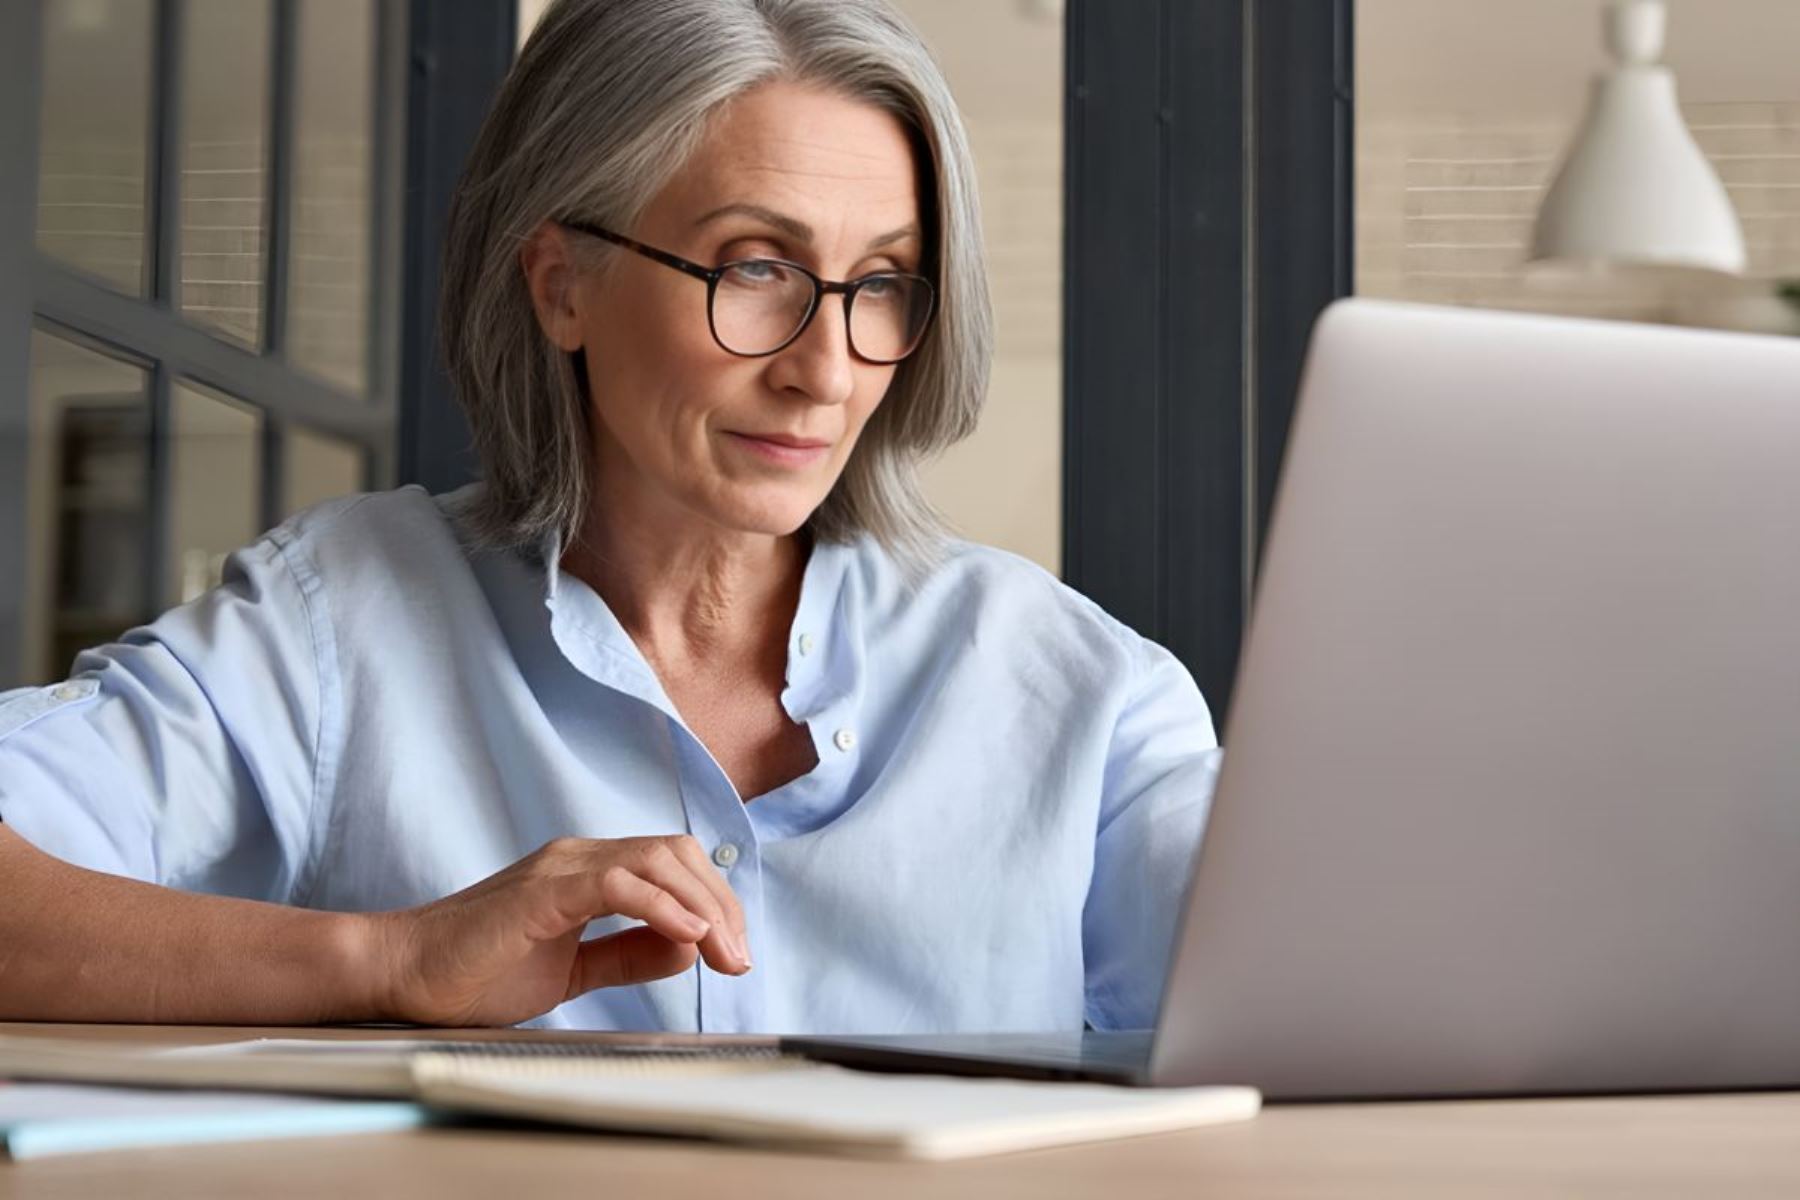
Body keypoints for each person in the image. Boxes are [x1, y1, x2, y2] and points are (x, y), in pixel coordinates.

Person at [0, 0, 1220, 1034]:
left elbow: (1335, 1007)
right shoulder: (337, 627)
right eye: (755, 268)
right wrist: (389, 962)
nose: (828, 371)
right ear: (562, 284)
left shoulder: (1088, 697)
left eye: (882, 287)